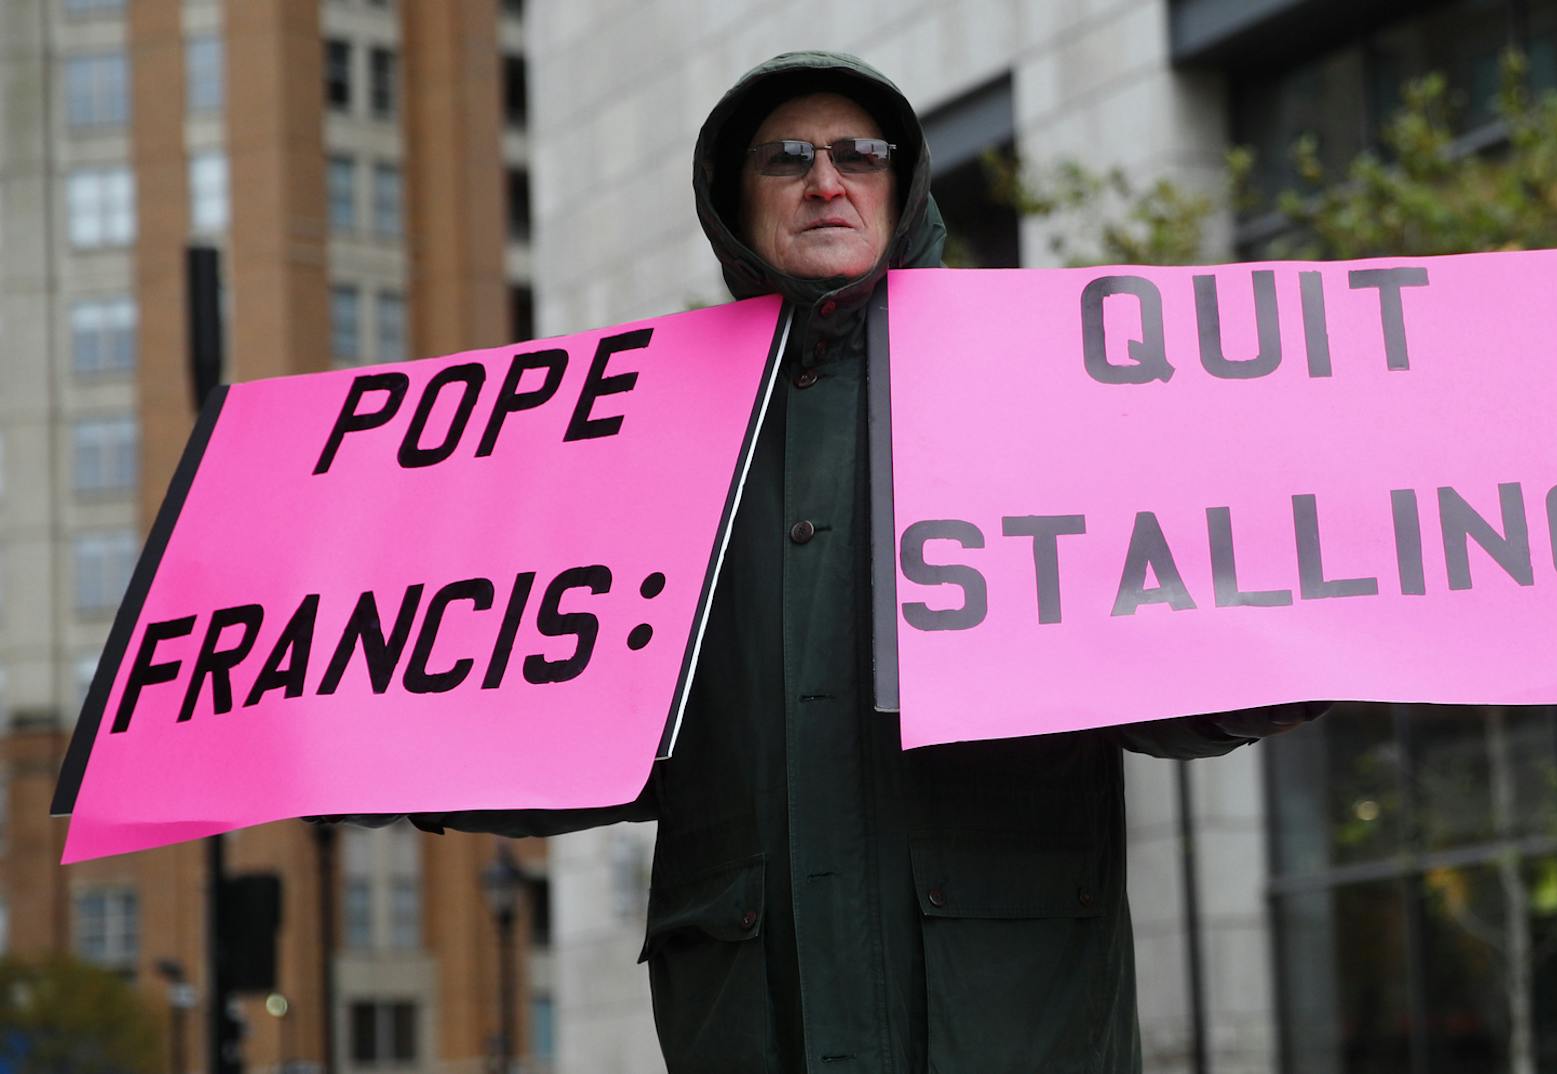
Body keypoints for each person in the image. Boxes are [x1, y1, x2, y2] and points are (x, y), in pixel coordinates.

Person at [355, 52, 1322, 1073]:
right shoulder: (653, 444)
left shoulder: (1029, 403)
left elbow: (1165, 678)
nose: (827, 180)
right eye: (787, 158)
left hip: (1010, 1021)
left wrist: (1342, 638)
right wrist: (378, 744)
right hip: (757, 1025)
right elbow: (575, 721)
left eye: (860, 153)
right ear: (735, 201)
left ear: (901, 186)